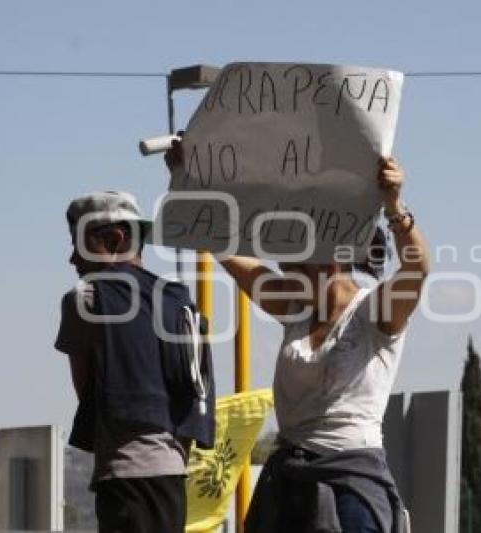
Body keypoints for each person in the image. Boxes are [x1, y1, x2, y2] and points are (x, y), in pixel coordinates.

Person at [165, 143, 429, 533]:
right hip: (288, 483)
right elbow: (224, 247)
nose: (286, 274)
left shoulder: (374, 313)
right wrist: (186, 181)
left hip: (350, 486)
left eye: (295, 265)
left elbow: (417, 269)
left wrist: (394, 205)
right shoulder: (294, 309)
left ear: (331, 260)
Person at [55, 190, 215, 533]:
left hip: (126, 478)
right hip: (173, 476)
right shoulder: (181, 305)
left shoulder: (85, 298)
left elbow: (88, 393)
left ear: (116, 238)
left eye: (80, 245)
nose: (73, 260)